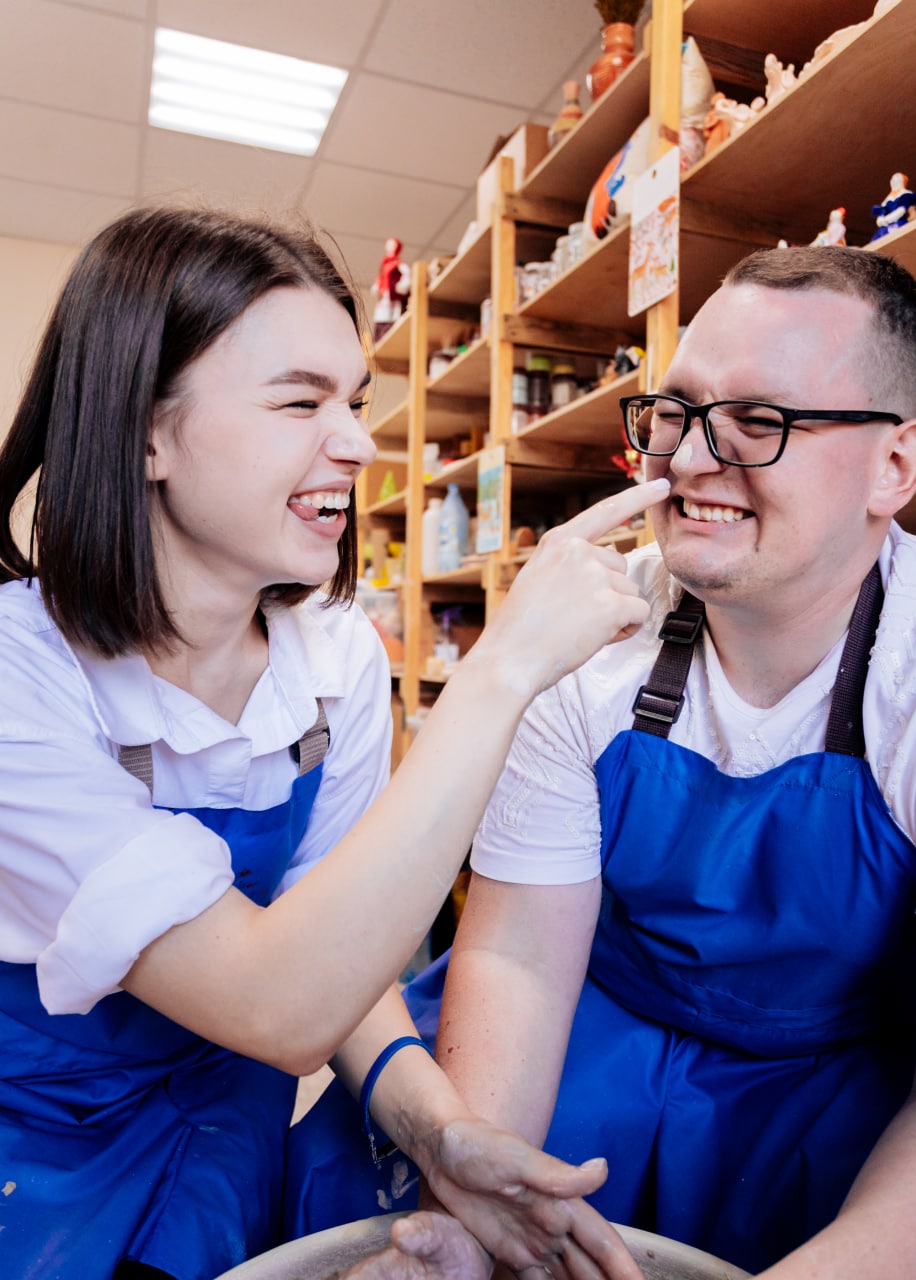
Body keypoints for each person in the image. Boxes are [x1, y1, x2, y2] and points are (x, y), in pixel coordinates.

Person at [0, 205, 672, 1280]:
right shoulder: (16, 673)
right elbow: (275, 996)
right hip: (29, 1125)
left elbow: (336, 962)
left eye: (355, 402)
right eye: (299, 401)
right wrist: (501, 669)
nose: (358, 440)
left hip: (223, 1105)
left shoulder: (334, 656)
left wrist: (437, 1127)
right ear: (146, 432)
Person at [294, 245, 916, 1280]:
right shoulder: (590, 634)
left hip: (844, 1075)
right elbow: (517, 958)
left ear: (896, 466)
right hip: (601, 1019)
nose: (690, 459)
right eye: (677, 409)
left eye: (759, 420)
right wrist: (465, 1218)